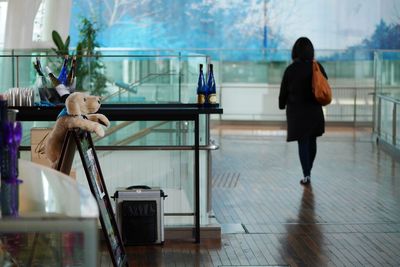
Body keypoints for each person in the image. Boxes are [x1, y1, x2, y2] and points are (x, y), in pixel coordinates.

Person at [279, 37, 328, 185]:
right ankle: (309, 170)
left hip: (297, 113)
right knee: (312, 141)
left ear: (295, 51)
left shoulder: (291, 69)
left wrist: (281, 105)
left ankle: (306, 173)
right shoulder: (316, 66)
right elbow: (324, 82)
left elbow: (283, 91)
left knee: (303, 142)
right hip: (314, 111)